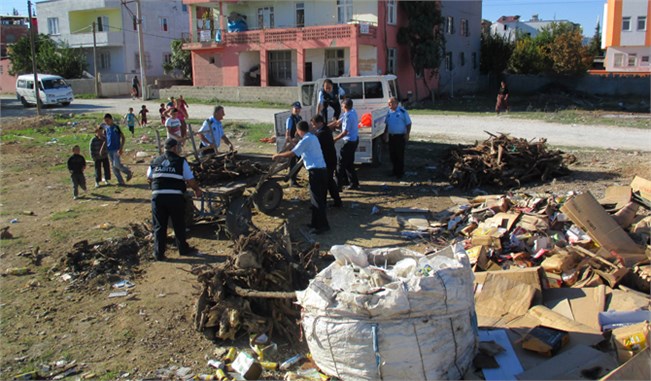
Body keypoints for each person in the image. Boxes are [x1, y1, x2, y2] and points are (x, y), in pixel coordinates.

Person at [147, 138, 202, 261]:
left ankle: (159, 254)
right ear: (174, 148)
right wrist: (197, 190)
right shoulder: (180, 161)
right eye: (178, 147)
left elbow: (149, 178)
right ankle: (183, 249)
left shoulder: (155, 161)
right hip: (174, 197)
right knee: (178, 224)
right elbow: (190, 180)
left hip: (157, 197)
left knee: (159, 226)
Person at [273, 121, 329, 234]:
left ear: (299, 131)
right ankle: (315, 223)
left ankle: (322, 226)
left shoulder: (306, 140)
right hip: (322, 170)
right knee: (318, 199)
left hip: (316, 173)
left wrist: (278, 155)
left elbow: (293, 153)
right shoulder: (312, 137)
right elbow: (300, 148)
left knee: (317, 200)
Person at [311, 114, 342, 207]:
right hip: (330, 159)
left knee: (325, 182)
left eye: (314, 124)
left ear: (319, 123)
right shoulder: (325, 129)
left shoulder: (322, 134)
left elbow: (315, 144)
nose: (313, 126)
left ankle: (323, 202)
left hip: (327, 161)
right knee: (329, 181)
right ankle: (336, 201)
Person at [330, 98, 359, 190]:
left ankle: (338, 185)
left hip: (348, 142)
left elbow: (344, 132)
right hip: (353, 141)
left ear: (345, 106)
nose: (341, 107)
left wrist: (334, 139)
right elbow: (338, 122)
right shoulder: (352, 112)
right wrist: (325, 127)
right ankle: (354, 183)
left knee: (340, 164)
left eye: (342, 106)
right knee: (349, 163)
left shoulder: (348, 116)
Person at [383, 97, 412, 179]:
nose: (389, 105)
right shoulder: (389, 112)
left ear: (396, 103)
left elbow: (408, 123)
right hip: (392, 136)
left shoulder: (402, 112)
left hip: (400, 137)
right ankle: (394, 171)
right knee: (392, 155)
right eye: (388, 103)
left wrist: (407, 134)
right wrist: (385, 133)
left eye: (390, 103)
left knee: (399, 154)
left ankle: (400, 172)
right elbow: (387, 124)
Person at [101, 113, 133, 185]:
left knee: (117, 164)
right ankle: (120, 181)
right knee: (113, 167)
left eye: (107, 120)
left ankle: (128, 172)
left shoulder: (116, 127)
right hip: (109, 149)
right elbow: (106, 139)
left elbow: (123, 137)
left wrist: (121, 148)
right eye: (105, 121)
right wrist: (103, 148)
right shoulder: (106, 128)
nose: (106, 122)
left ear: (111, 119)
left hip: (116, 149)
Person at [285, 101, 303, 187]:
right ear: (292, 109)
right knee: (293, 162)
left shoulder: (299, 118)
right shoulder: (290, 119)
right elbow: (287, 134)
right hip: (293, 144)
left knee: (300, 161)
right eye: (295, 108)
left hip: (298, 143)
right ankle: (292, 180)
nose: (297, 110)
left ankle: (293, 176)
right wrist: (292, 143)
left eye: (298, 109)